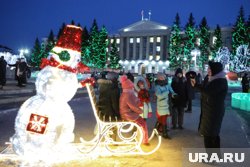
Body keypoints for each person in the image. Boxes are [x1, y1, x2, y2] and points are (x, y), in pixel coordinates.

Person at [191, 61, 228, 156]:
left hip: (213, 111)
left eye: (209, 69)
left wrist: (196, 86)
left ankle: (211, 157)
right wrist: (197, 85)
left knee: (209, 135)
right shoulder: (213, 79)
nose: (207, 70)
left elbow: (208, 92)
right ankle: (216, 155)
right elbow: (205, 89)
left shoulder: (219, 81)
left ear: (214, 70)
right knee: (213, 134)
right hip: (210, 110)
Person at [119, 75, 149, 145]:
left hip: (127, 113)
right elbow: (133, 106)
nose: (133, 87)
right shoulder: (128, 94)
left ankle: (141, 137)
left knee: (141, 121)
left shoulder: (127, 93)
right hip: (127, 114)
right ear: (129, 86)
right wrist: (140, 111)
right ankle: (145, 140)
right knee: (143, 123)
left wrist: (139, 101)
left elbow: (134, 100)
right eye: (131, 86)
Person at [154, 73, 175, 139]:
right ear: (159, 78)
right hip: (161, 105)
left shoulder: (167, 84)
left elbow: (171, 90)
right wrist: (167, 93)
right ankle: (164, 133)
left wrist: (174, 94)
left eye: (164, 77)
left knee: (161, 119)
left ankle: (156, 130)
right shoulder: (157, 86)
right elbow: (159, 96)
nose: (164, 78)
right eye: (162, 77)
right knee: (163, 119)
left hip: (167, 104)